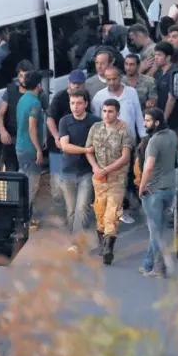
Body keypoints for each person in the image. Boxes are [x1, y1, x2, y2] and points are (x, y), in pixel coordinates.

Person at [138, 109, 178, 278]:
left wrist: (141, 187)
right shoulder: (171, 135)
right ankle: (148, 265)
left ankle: (159, 268)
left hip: (153, 190)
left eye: (147, 120)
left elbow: (148, 167)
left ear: (156, 122)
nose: (144, 123)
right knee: (156, 229)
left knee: (155, 231)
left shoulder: (154, 142)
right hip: (170, 190)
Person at [91, 66, 146, 224]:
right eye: (108, 79)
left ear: (120, 77)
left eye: (114, 78)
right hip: (108, 145)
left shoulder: (131, 93)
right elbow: (96, 120)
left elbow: (138, 115)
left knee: (128, 175)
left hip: (129, 142)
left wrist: (143, 136)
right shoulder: (99, 97)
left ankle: (124, 208)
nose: (112, 82)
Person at [85, 99, 132, 265]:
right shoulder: (96, 128)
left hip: (116, 179)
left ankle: (108, 249)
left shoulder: (123, 131)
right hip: (99, 178)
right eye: (104, 111)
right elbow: (89, 150)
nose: (107, 114)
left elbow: (125, 157)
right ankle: (102, 243)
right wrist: (96, 168)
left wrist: (106, 170)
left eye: (110, 111)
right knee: (100, 211)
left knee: (111, 214)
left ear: (117, 113)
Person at [58, 89, 99, 254]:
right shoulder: (64, 121)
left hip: (86, 172)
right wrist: (86, 150)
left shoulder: (95, 122)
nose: (75, 106)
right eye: (72, 103)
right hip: (67, 171)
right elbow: (65, 146)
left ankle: (76, 243)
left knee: (82, 207)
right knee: (71, 210)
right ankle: (73, 239)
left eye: (79, 103)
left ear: (86, 104)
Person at [46, 70, 88, 209]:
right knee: (57, 181)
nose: (76, 86)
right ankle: (59, 208)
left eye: (79, 84)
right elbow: (50, 119)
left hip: (76, 147)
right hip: (58, 146)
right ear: (69, 83)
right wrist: (56, 136)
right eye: (74, 83)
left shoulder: (86, 98)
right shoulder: (60, 97)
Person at [0, 60, 49, 172]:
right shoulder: (11, 91)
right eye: (21, 76)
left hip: (30, 142)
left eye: (27, 76)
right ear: (17, 76)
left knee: (29, 176)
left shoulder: (39, 94)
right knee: (11, 173)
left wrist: (44, 136)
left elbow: (47, 116)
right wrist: (2, 131)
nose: (24, 79)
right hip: (12, 138)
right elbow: (0, 113)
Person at [15, 70, 45, 231]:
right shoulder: (34, 102)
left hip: (20, 146)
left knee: (23, 182)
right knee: (32, 186)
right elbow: (32, 126)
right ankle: (23, 220)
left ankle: (24, 217)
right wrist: (38, 149)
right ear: (39, 85)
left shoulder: (22, 99)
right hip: (29, 149)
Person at [152, 42, 178, 132]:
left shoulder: (175, 72)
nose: (156, 57)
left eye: (159, 55)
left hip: (173, 121)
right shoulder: (158, 72)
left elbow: (171, 99)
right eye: (155, 55)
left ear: (168, 57)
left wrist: (164, 120)